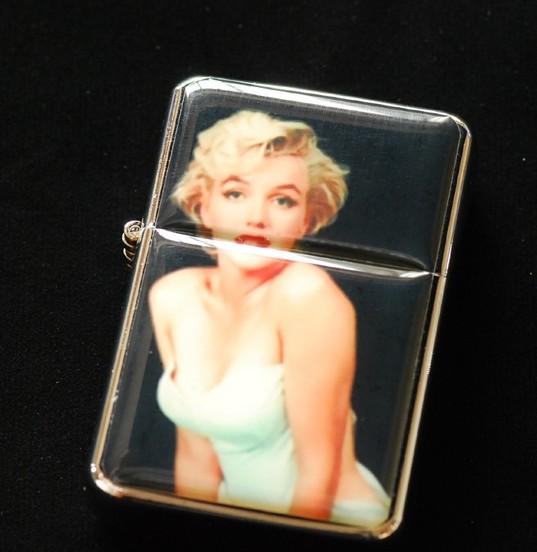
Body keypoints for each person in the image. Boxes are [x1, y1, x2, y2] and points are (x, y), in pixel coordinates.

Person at [150, 110, 390, 526]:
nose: (257, 217)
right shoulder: (172, 296)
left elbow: (318, 476)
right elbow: (196, 457)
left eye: (283, 200)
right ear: (203, 206)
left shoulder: (306, 295)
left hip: (327, 523)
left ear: (306, 219)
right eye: (235, 193)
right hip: (238, 515)